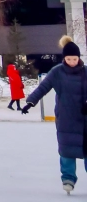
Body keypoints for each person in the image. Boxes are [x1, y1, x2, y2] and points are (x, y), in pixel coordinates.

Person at [23, 35, 87, 194]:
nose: (72, 62)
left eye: (74, 59)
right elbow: (43, 87)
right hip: (66, 118)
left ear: (79, 58)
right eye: (69, 59)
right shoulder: (57, 72)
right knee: (66, 150)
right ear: (64, 58)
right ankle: (68, 179)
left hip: (85, 118)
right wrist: (31, 102)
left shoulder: (86, 72)